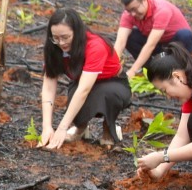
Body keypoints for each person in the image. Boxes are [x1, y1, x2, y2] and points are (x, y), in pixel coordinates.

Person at [37, 9, 130, 150]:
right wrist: (47, 127)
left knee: (106, 95)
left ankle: (109, 128)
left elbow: (84, 90)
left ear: (77, 32)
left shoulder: (95, 45)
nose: (61, 43)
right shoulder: (53, 47)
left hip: (112, 82)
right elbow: (49, 86)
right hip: (80, 80)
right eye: (55, 38)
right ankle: (80, 127)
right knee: (75, 103)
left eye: (65, 37)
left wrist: (62, 128)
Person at [134, 43, 192, 181]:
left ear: (177, 77)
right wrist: (159, 169)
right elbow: (182, 136)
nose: (168, 96)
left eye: (164, 90)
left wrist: (161, 156)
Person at [113, 0, 192, 78]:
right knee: (130, 37)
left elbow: (150, 45)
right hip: (159, 44)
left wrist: (133, 70)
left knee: (185, 35)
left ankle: (177, 68)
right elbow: (120, 41)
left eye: (135, 9)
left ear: (144, 0)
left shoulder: (161, 10)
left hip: (178, 44)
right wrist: (113, 64)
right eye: (129, 11)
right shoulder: (128, 15)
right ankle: (150, 70)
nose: (133, 14)